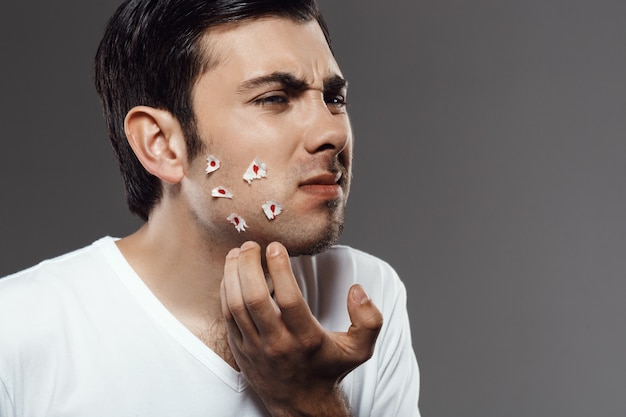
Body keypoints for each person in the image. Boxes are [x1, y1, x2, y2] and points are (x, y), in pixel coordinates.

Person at [0, 0, 420, 415]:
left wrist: (310, 403)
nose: (332, 132)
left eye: (334, 97)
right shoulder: (17, 330)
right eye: (274, 98)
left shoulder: (363, 293)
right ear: (161, 144)